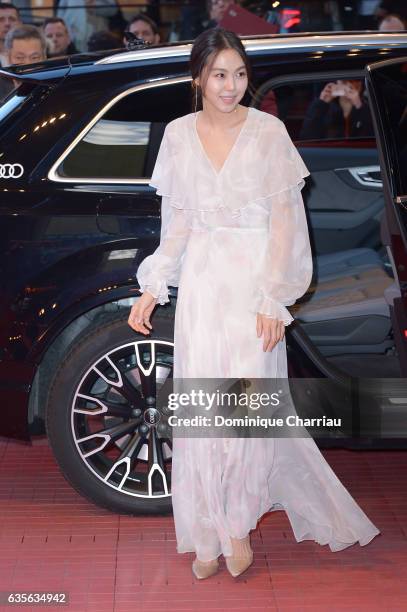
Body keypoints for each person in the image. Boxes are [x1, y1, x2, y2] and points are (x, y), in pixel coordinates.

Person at [128, 27, 381, 580]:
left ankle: (237, 526)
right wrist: (154, 286)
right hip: (203, 289)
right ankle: (206, 530)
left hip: (252, 291)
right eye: (220, 74)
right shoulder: (176, 135)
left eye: (240, 74)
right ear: (198, 77)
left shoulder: (268, 132)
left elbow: (288, 226)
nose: (231, 85)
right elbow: (178, 226)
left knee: (242, 411)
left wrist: (274, 298)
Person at [299, 79, 374, 140]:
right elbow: (307, 136)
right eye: (344, 81)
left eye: (354, 81)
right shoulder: (325, 107)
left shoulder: (369, 106)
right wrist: (321, 102)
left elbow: (373, 137)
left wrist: (359, 105)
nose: (348, 85)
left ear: (361, 84)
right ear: (337, 83)